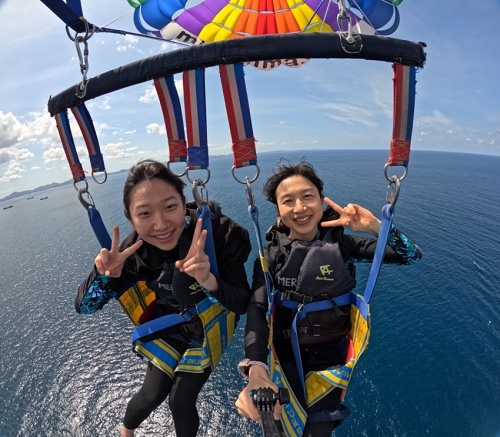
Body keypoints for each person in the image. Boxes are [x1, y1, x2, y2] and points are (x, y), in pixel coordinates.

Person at [235, 160, 422, 436]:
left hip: (332, 359)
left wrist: (376, 227)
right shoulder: (271, 257)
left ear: (321, 201)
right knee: (279, 425)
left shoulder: (342, 246)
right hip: (284, 356)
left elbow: (411, 256)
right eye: (288, 201)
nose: (299, 208)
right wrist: (256, 367)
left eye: (307, 196)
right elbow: (257, 308)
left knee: (316, 430)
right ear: (279, 211)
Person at [75, 159, 252, 437]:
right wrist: (104, 276)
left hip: (211, 324)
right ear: (131, 219)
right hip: (169, 323)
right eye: (145, 214)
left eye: (170, 207)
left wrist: (208, 280)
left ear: (183, 203)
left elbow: (241, 303)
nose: (161, 224)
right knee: (151, 394)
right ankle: (126, 432)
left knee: (180, 400)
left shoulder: (218, 235)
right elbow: (85, 308)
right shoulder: (132, 253)